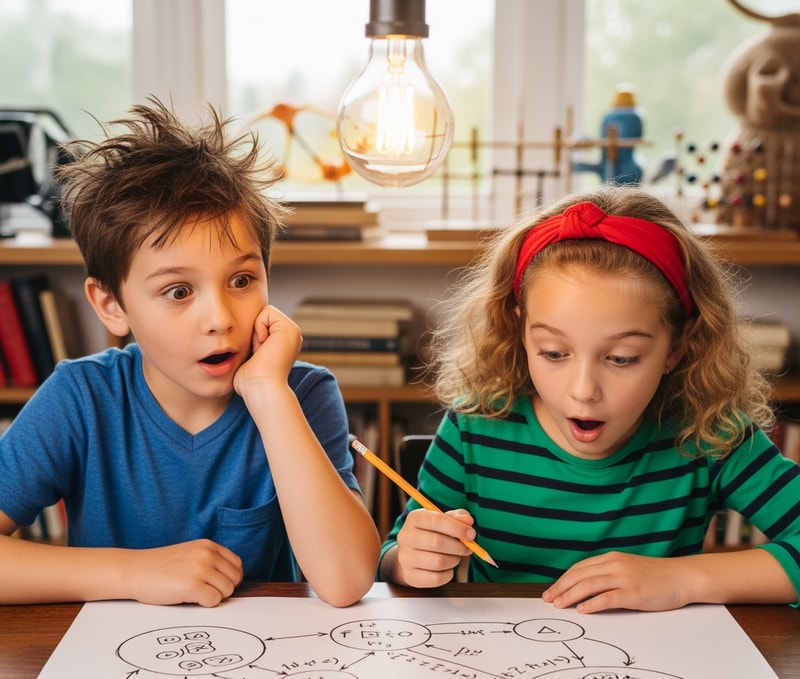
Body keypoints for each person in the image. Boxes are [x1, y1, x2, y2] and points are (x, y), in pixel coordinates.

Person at [0, 98, 380, 608]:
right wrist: (135, 574)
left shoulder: (301, 392)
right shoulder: (81, 398)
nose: (220, 318)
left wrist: (270, 395)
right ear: (112, 306)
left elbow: (347, 580)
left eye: (242, 280)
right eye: (179, 292)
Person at [380, 186, 800, 613]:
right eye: (553, 353)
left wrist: (682, 579)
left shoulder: (709, 432)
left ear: (677, 346)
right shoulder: (475, 426)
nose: (583, 390)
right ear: (518, 330)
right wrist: (409, 560)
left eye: (621, 358)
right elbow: (394, 555)